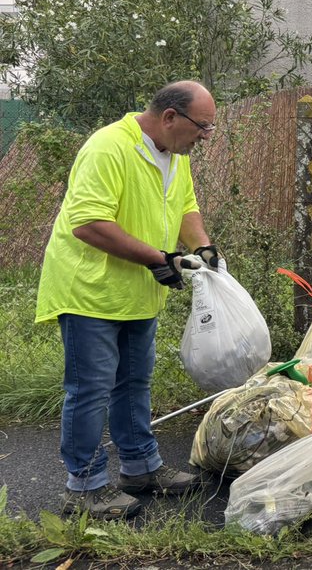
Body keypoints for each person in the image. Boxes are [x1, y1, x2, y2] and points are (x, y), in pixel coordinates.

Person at [35, 81, 220, 520]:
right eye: (202, 126)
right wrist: (159, 258)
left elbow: (186, 207)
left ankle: (140, 469)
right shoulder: (108, 147)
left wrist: (203, 248)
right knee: (91, 390)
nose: (206, 136)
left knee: (135, 382)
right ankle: (83, 489)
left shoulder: (175, 155)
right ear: (170, 117)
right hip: (89, 292)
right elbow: (87, 223)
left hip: (137, 291)